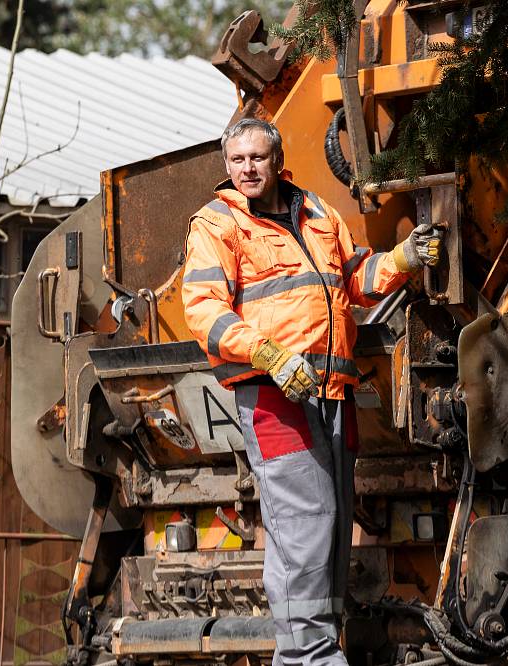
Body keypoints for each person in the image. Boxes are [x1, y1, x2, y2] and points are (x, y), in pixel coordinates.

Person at [181, 118, 440, 666]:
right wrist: (268, 355)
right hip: (275, 397)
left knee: (332, 527)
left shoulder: (316, 212)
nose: (247, 169)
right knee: (305, 525)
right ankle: (310, 656)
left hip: (331, 393)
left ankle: (308, 651)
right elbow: (203, 310)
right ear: (226, 166)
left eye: (257, 158)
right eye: (237, 160)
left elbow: (354, 278)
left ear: (278, 160)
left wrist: (403, 260)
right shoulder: (218, 224)